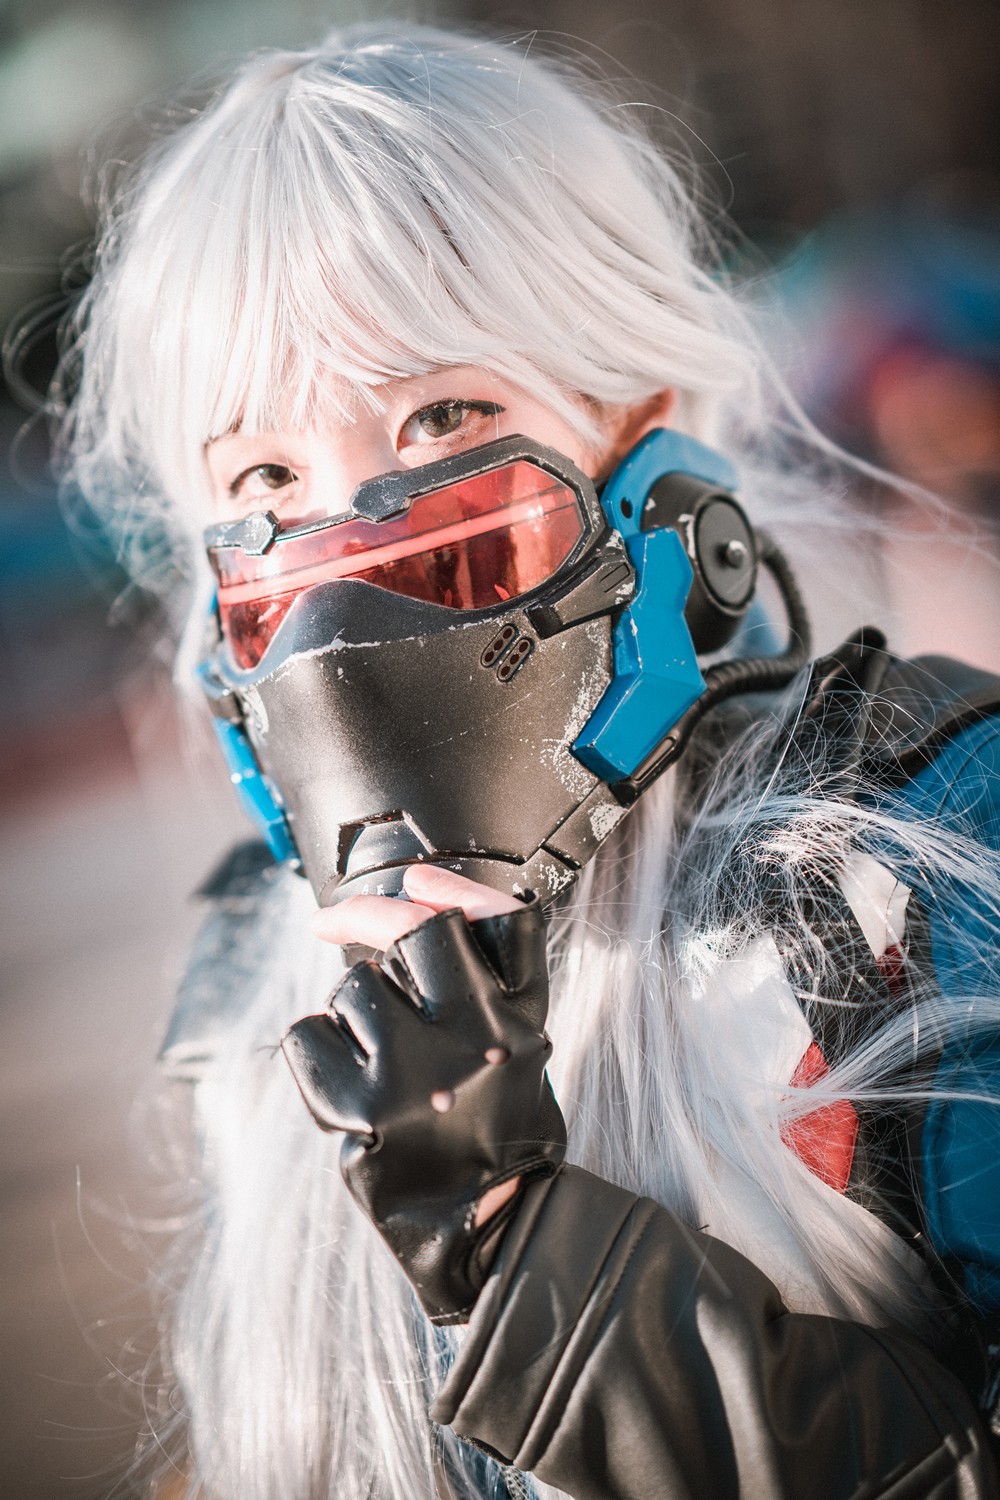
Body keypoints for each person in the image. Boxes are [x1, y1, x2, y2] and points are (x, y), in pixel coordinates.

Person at [53, 21, 1000, 1500]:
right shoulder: (249, 998)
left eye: (444, 417)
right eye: (269, 478)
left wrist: (520, 1250)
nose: (351, 564)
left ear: (642, 437)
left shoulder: (921, 845)